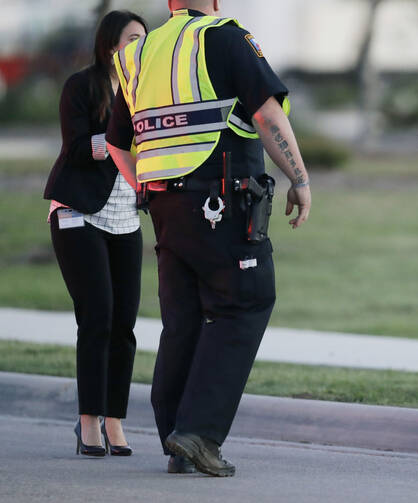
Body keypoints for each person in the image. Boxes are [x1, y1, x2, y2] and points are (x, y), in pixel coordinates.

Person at [106, 0, 311, 476]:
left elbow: (117, 142)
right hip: (221, 198)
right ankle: (197, 434)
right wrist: (299, 178)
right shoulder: (223, 35)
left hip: (164, 205)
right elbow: (266, 116)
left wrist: (144, 185)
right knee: (246, 302)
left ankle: (177, 434)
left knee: (185, 320)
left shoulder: (140, 51)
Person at [43, 10, 148, 457]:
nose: (140, 46)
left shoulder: (151, 90)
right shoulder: (83, 86)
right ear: (110, 44)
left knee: (124, 324)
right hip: (78, 211)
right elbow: (78, 147)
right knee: (98, 315)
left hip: (127, 217)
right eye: (132, 38)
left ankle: (116, 421)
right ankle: (88, 423)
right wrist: (127, 139)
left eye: (145, 39)